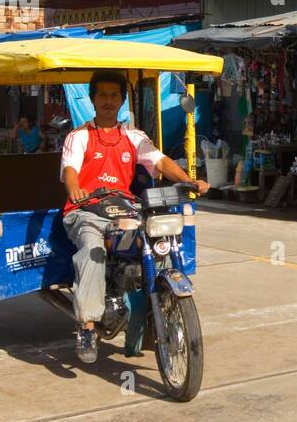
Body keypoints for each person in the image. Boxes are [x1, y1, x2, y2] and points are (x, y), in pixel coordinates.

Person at [61, 70, 210, 364]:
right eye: (102, 95)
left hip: (124, 210)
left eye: (114, 95)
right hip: (86, 212)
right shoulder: (78, 137)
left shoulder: (133, 136)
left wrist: (188, 180)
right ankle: (88, 327)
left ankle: (162, 310)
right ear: (92, 99)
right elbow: (70, 169)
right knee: (92, 252)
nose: (108, 101)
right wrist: (75, 189)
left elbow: (159, 161)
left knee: (160, 245)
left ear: (122, 100)